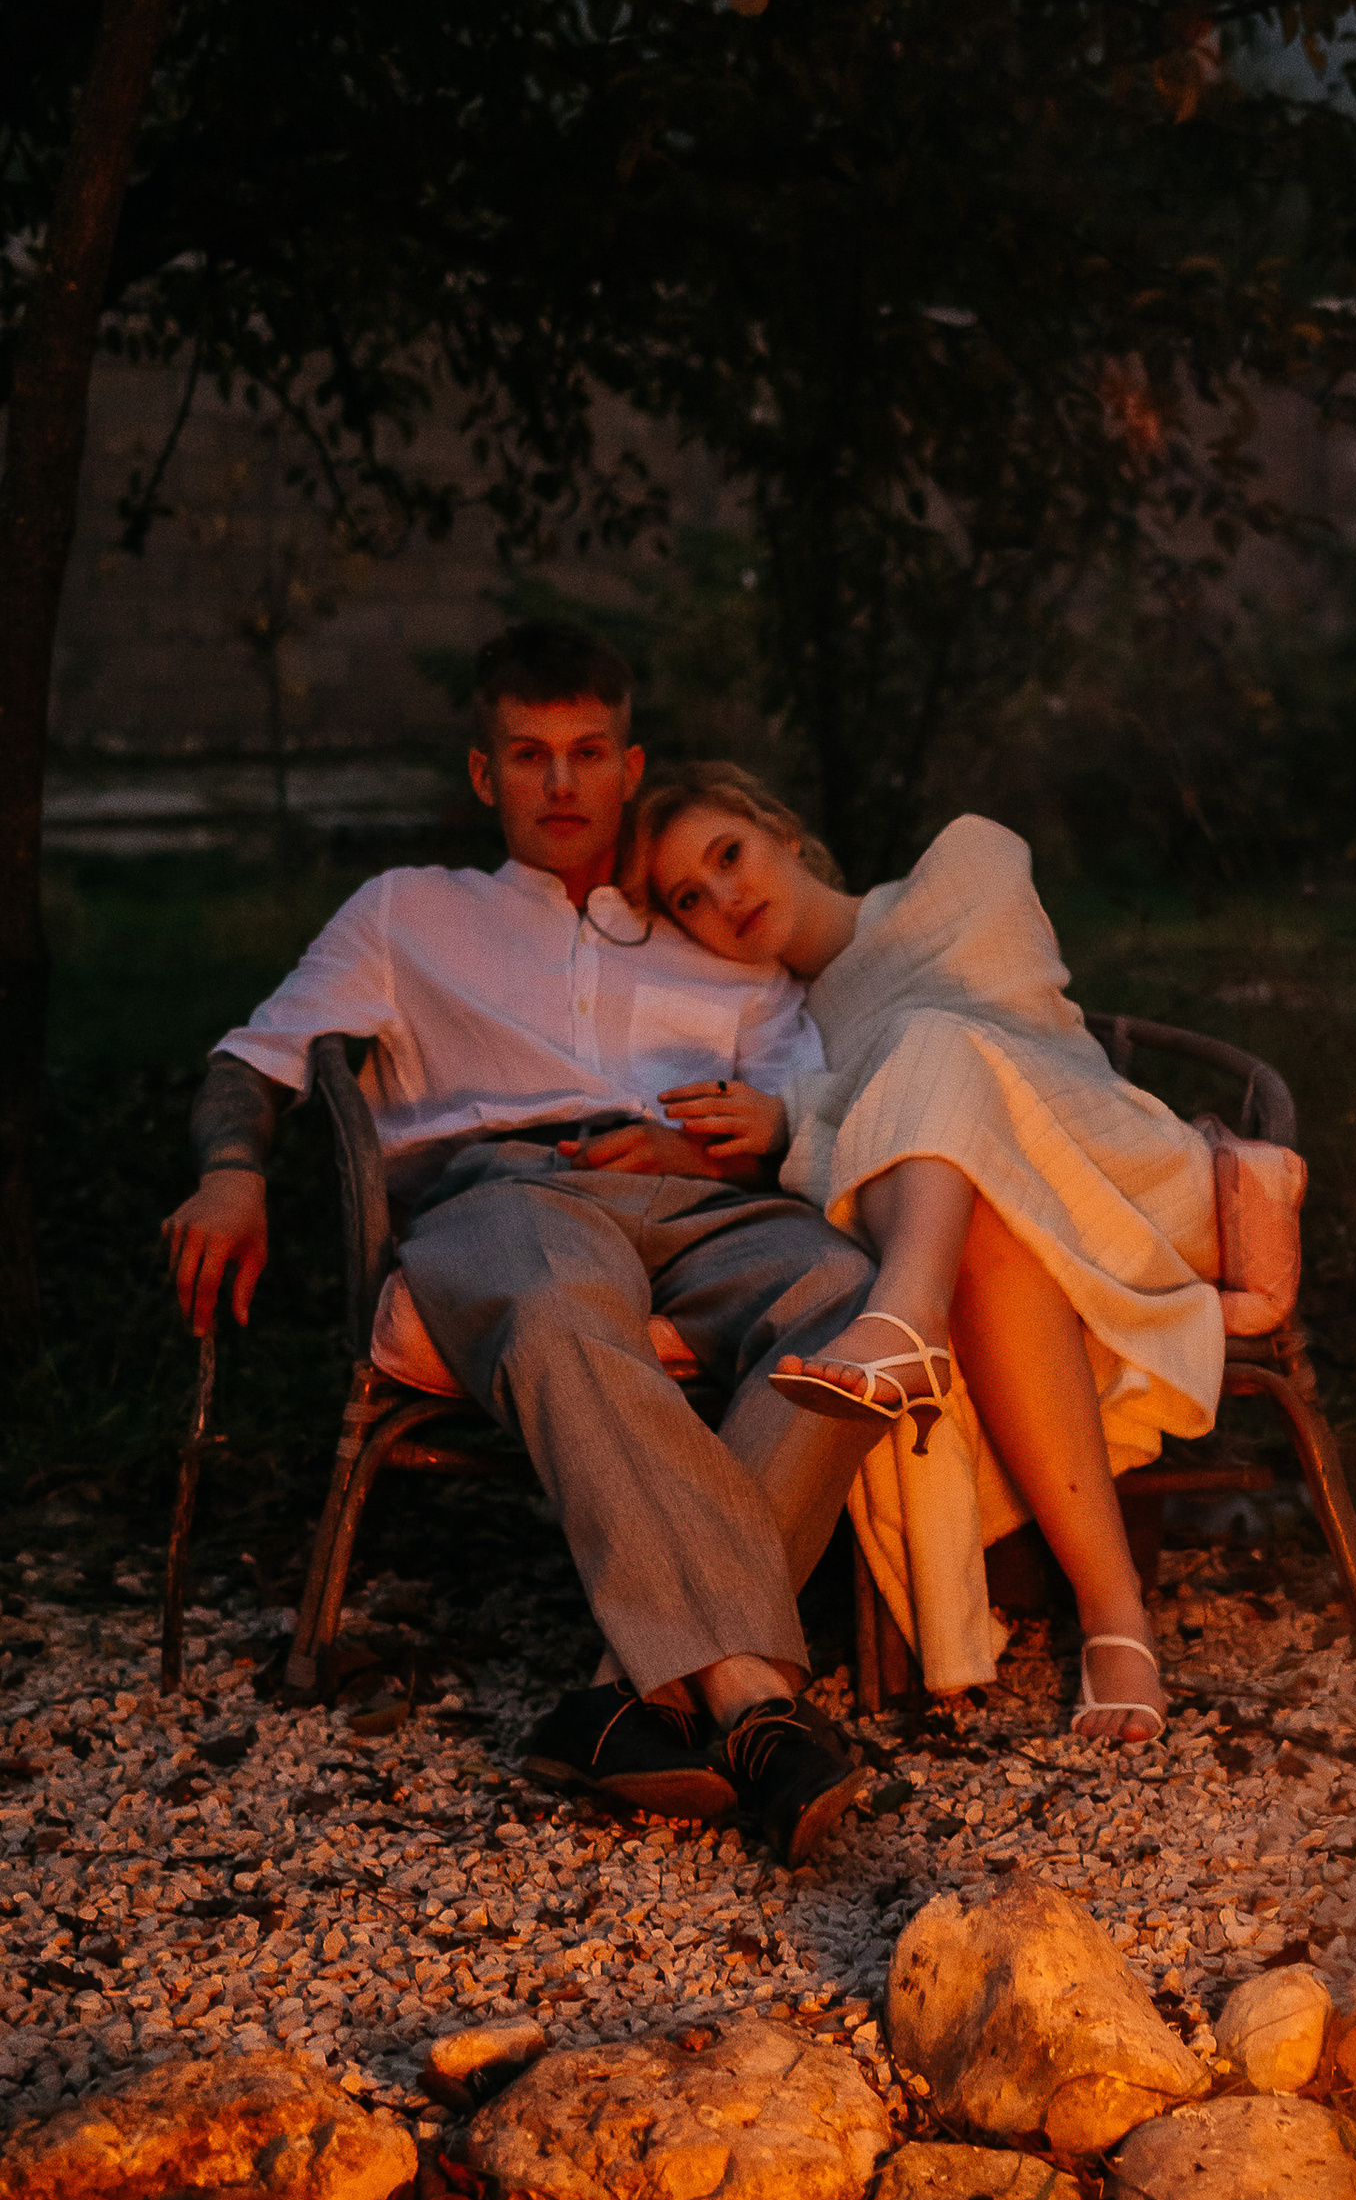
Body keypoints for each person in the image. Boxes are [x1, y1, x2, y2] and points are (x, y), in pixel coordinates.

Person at [160, 626, 895, 1861]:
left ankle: (626, 1700)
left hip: (699, 1196)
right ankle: (755, 1708)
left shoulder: (706, 928)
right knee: (561, 1303)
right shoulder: (408, 914)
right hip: (505, 1193)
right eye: (530, 755)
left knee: (848, 1294)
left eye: (589, 753)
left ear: (630, 764)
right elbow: (258, 1058)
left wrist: (717, 1151)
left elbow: (794, 1109)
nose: (562, 783)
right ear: (483, 775)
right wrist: (233, 1173)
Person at [625, 769, 1227, 1745]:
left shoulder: (967, 864)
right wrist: (790, 1119)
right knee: (977, 1213)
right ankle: (1116, 1618)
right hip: (989, 1226)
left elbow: (992, 1042)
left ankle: (902, 1319)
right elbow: (857, 1179)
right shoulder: (789, 1036)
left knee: (933, 1040)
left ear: (780, 830)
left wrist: (799, 1122)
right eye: (688, 898)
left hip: (1116, 1177)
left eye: (728, 855)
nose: (724, 900)